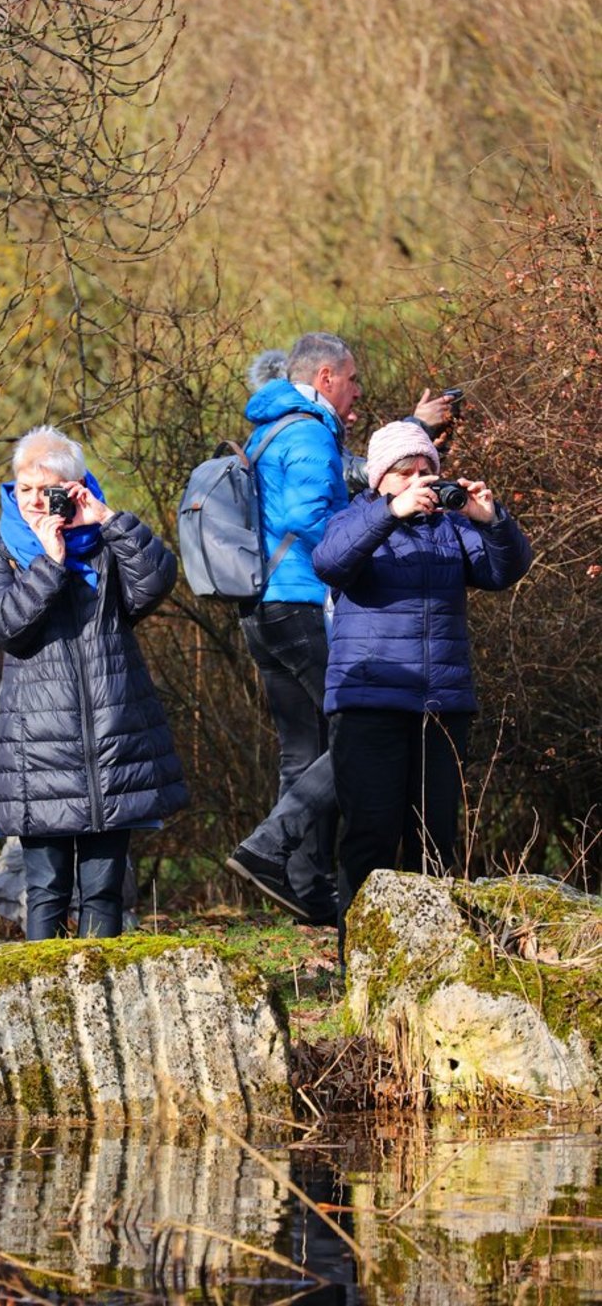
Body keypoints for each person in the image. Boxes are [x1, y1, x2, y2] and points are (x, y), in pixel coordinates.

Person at [224, 334, 458, 926]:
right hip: (300, 600)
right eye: (352, 380)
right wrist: (378, 518)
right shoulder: (305, 430)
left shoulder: (281, 424)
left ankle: (300, 883)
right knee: (362, 725)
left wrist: (410, 429)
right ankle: (271, 846)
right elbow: (315, 521)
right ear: (326, 376)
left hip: (267, 605)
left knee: (304, 748)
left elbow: (352, 479)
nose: (358, 391)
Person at [311, 420, 532, 957]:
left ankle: (430, 964)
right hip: (368, 702)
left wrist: (491, 518)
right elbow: (330, 562)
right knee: (370, 834)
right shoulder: (355, 518)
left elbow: (507, 571)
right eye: (404, 473)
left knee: (435, 838)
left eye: (426, 471)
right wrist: (390, 515)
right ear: (380, 478)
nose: (419, 482)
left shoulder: (454, 530)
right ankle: (361, 962)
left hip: (441, 704)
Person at [0, 425, 188, 940]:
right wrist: (49, 565)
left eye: (45, 490)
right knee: (46, 891)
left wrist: (109, 521)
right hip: (37, 750)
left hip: (111, 738)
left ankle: (102, 1004)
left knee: (103, 890)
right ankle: (42, 1005)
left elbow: (156, 583)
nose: (33, 501)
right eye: (23, 489)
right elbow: (7, 628)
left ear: (74, 489)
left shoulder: (105, 549)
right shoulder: (1, 554)